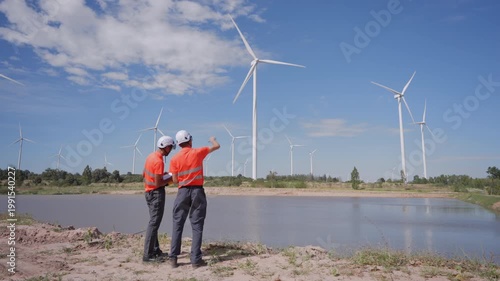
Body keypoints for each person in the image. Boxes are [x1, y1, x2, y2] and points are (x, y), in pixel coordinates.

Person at [168, 130, 220, 268]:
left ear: (178, 144)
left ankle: (173, 259)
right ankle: (196, 260)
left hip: (182, 192)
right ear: (190, 140)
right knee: (197, 225)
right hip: (197, 191)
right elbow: (217, 146)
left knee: (177, 224)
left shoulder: (174, 159)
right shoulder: (197, 152)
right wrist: (212, 138)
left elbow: (174, 180)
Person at [142, 135, 175, 262]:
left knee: (153, 222)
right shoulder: (159, 160)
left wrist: (162, 176)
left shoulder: (150, 156)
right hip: (156, 193)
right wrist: (169, 180)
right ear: (166, 147)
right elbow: (157, 183)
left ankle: (155, 250)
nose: (171, 150)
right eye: (171, 147)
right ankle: (147, 255)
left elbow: (143, 174)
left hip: (148, 192)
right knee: (154, 223)